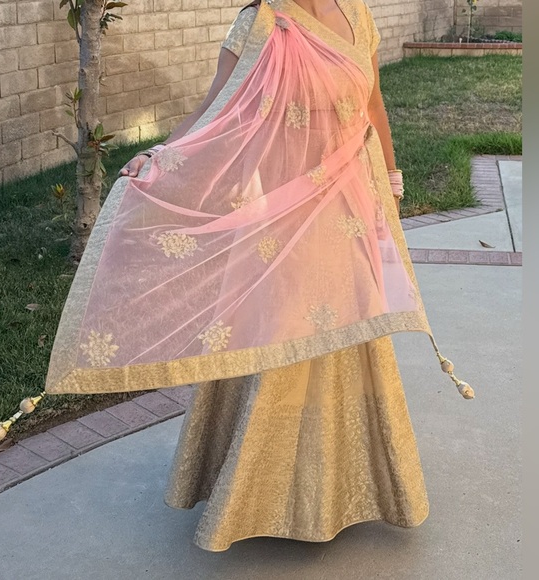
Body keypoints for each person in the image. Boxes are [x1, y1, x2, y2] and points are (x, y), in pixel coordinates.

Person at [44, 0, 473, 552]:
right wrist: (161, 156)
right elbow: (215, 112)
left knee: (350, 342)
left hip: (347, 214)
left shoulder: (357, 14)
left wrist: (390, 182)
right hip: (280, 221)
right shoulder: (260, 25)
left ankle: (342, 489)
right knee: (280, 342)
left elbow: (372, 104)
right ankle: (259, 496)